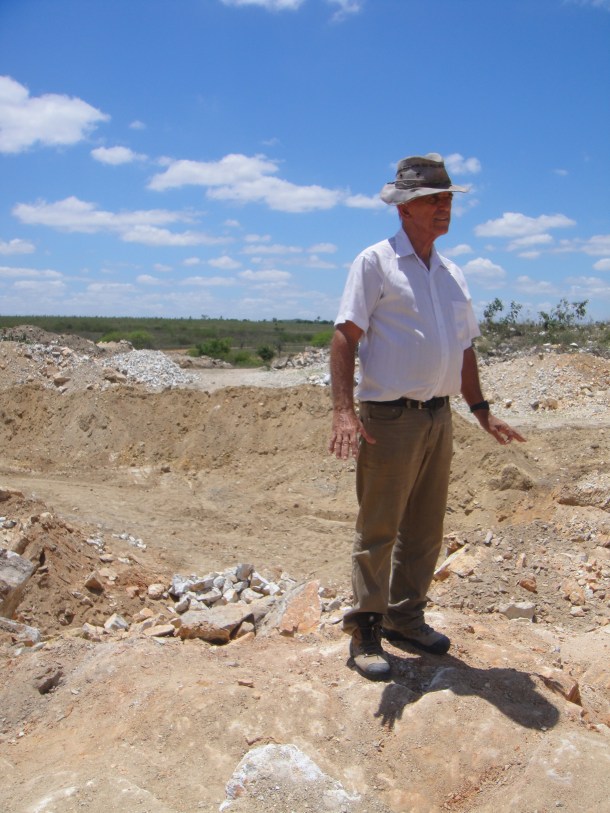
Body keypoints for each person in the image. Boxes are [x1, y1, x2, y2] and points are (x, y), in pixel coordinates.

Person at [328, 153, 525, 681]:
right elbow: (345, 337)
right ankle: (367, 626)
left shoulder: (451, 273)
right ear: (404, 208)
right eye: (433, 200)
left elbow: (463, 350)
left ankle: (405, 617)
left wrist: (480, 410)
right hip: (388, 418)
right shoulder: (375, 262)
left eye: (447, 200)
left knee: (425, 527)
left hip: (439, 417)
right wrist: (343, 410)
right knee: (379, 527)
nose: (444, 209)